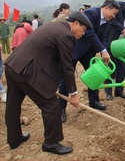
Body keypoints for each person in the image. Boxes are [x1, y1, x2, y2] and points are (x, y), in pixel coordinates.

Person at [4, 11, 92, 155]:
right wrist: (73, 93)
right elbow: (67, 65)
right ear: (76, 23)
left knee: (13, 104)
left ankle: (14, 139)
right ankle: (51, 143)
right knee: (51, 105)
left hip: (13, 65)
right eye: (83, 30)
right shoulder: (66, 35)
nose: (82, 34)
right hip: (26, 70)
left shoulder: (55, 26)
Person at [59, 0, 125, 122]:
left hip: (88, 51)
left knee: (95, 74)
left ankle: (94, 101)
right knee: (66, 77)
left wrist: (104, 50)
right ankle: (61, 109)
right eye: (112, 13)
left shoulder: (107, 21)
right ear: (106, 8)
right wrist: (102, 50)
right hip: (75, 49)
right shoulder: (91, 13)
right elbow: (89, 34)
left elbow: (104, 37)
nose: (113, 16)